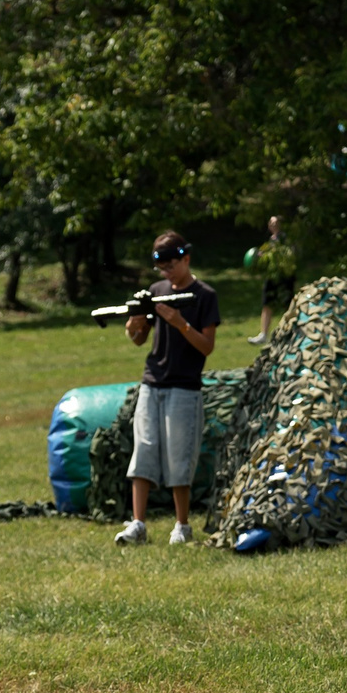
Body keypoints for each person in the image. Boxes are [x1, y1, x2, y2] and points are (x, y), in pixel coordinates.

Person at [115, 231, 220, 547]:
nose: (166, 274)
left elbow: (207, 346)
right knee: (143, 450)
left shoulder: (204, 296)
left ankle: (182, 525)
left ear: (186, 259)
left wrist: (179, 323)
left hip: (185, 387)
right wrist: (135, 320)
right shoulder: (156, 291)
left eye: (171, 266)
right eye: (161, 269)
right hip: (152, 382)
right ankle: (138, 525)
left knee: (179, 455)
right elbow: (138, 338)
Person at [247, 215, 297, 346]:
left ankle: (291, 333)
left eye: (275, 223)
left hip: (284, 277)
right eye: (271, 223)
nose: (272, 225)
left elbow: (289, 255)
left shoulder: (286, 239)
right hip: (272, 277)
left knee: (288, 305)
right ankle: (263, 334)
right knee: (267, 303)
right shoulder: (270, 240)